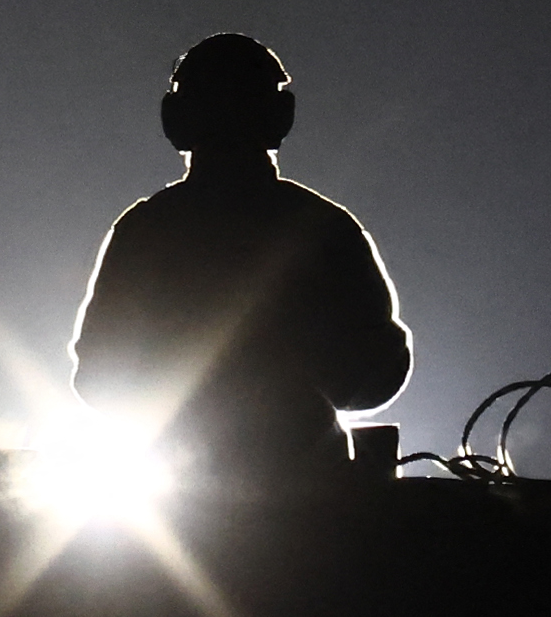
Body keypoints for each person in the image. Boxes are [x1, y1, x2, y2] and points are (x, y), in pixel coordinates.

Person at [70, 34, 411, 485]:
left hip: (181, 492)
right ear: (279, 117)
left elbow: (99, 376)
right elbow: (375, 374)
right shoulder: (323, 228)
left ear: (175, 120)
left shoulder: (147, 230)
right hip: (307, 495)